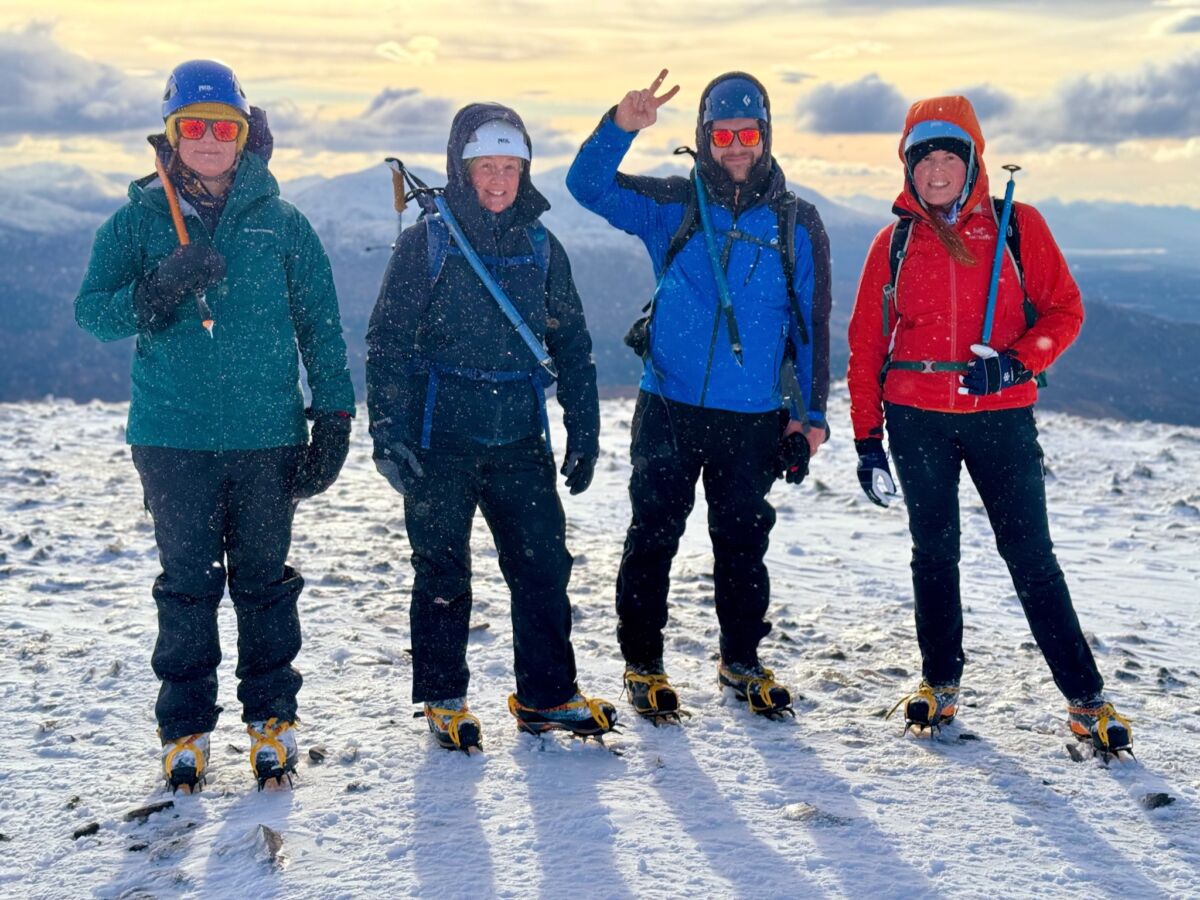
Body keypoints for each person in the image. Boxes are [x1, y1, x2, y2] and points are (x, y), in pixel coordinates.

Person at [75, 60, 355, 790]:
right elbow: (93, 313)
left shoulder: (283, 224)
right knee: (189, 587)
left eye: (221, 127)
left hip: (268, 435)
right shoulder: (137, 221)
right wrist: (159, 286)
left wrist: (334, 414)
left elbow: (321, 327)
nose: (207, 139)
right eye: (191, 126)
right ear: (170, 134)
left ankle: (271, 721)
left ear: (244, 136)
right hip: (172, 435)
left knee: (264, 583)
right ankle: (186, 731)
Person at [846, 95, 1132, 756]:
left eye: (951, 156)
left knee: (1031, 556)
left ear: (972, 162)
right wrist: (867, 440)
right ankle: (939, 683)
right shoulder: (893, 242)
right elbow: (867, 346)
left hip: (999, 418)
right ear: (909, 168)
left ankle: (1086, 700)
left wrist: (1016, 366)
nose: (939, 170)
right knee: (934, 555)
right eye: (926, 159)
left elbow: (1065, 310)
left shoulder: (1017, 225)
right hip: (914, 420)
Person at [567, 71, 832, 721]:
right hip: (670, 405)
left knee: (743, 542)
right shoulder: (674, 205)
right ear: (703, 139)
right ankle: (643, 662)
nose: (735, 147)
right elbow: (587, 187)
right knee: (652, 534)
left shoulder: (799, 221)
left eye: (747, 134)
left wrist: (811, 415)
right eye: (722, 134)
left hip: (753, 416)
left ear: (765, 138)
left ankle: (741, 660)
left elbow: (813, 323)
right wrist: (620, 125)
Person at [366, 103, 616, 752]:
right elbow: (388, 340)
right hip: (438, 436)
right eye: (487, 168)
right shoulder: (427, 242)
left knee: (542, 569)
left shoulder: (539, 244)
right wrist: (387, 430)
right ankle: (445, 700)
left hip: (519, 437)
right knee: (443, 572)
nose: (500, 181)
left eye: (511, 167)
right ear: (462, 167)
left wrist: (583, 429)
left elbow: (573, 345)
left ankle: (547, 696)